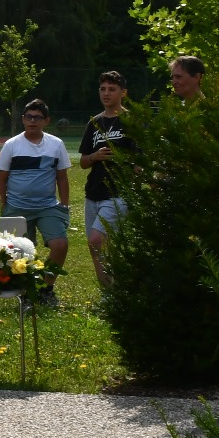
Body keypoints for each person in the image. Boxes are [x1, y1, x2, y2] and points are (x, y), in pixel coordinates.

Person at [0, 99, 69, 307]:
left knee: (60, 244)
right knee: (24, 252)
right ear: (22, 120)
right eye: (28, 117)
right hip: (17, 208)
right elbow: (1, 178)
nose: (32, 121)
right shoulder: (12, 145)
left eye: (37, 118)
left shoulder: (56, 145)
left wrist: (64, 204)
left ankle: (46, 288)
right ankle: (27, 292)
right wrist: (4, 208)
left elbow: (61, 177)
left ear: (46, 121)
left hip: (48, 206)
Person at [79, 70, 132, 288]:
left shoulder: (131, 121)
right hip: (94, 193)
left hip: (118, 191)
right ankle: (108, 289)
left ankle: (114, 287)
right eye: (102, 89)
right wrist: (94, 156)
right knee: (97, 246)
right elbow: (83, 161)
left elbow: (141, 157)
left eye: (112, 89)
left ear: (123, 93)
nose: (106, 93)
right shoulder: (95, 122)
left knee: (96, 240)